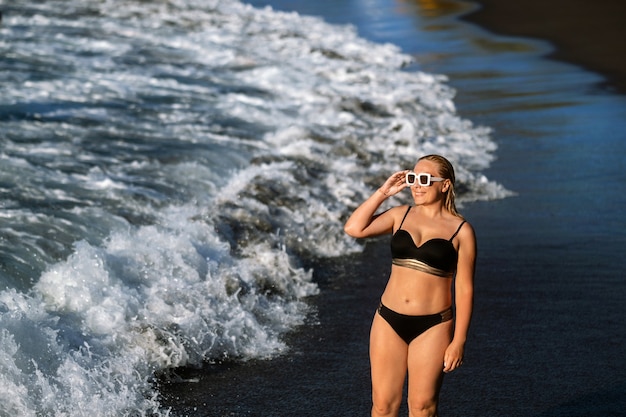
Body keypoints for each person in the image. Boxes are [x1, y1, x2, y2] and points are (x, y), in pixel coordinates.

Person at [344, 154, 476, 417]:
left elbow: (464, 289)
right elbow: (354, 228)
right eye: (413, 178)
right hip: (388, 319)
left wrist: (459, 340)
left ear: (445, 185)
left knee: (423, 408)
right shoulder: (399, 215)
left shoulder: (461, 231)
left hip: (433, 326)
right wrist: (384, 192)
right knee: (382, 407)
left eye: (425, 180)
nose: (416, 185)